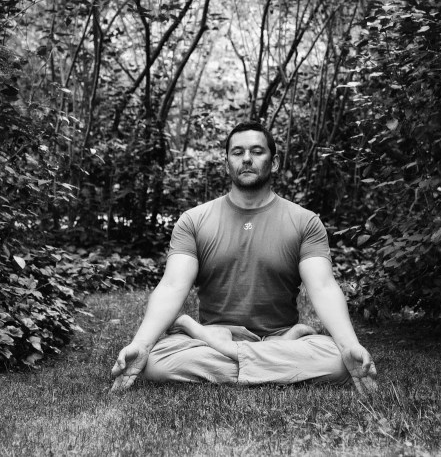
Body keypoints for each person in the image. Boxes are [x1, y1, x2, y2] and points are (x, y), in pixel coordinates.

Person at [109, 121, 377, 393]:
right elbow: (171, 286)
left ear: (273, 162)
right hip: (218, 335)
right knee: (155, 361)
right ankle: (271, 357)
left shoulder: (305, 221)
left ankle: (236, 351)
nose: (247, 159)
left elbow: (323, 287)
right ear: (227, 164)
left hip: (264, 336)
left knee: (338, 360)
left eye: (257, 151)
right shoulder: (193, 220)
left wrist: (349, 345)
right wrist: (141, 345)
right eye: (237, 152)